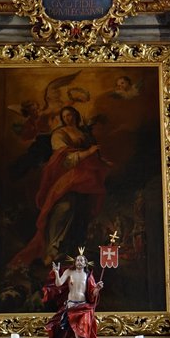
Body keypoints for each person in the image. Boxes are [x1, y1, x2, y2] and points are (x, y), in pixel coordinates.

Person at [11, 105, 110, 269]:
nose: (68, 118)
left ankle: (71, 249)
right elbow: (65, 159)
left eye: (70, 114)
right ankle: (52, 248)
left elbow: (93, 155)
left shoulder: (84, 134)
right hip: (65, 177)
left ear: (75, 115)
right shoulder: (59, 134)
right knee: (64, 207)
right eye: (65, 116)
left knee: (82, 210)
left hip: (85, 178)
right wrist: (88, 153)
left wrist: (101, 161)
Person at [43, 252, 103, 338]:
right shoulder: (69, 272)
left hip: (83, 306)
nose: (79, 262)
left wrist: (97, 288)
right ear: (74, 262)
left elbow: (92, 293)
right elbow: (59, 283)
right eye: (77, 260)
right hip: (71, 305)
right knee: (76, 329)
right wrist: (56, 272)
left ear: (85, 264)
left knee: (82, 327)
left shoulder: (88, 275)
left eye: (82, 260)